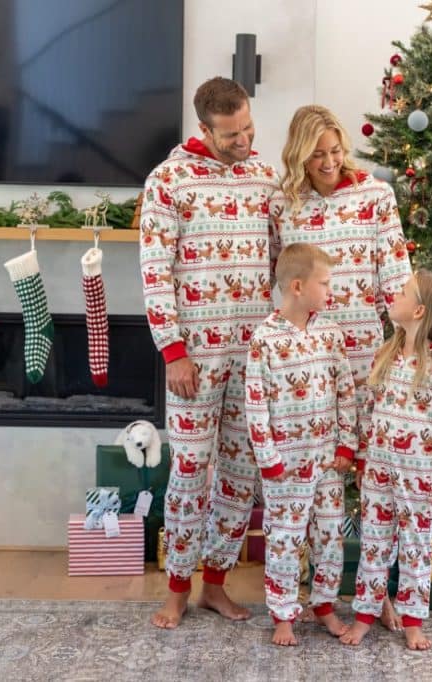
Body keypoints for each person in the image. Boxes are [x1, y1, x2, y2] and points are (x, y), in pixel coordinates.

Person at [269, 104, 412, 630]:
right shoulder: (286, 206)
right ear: (299, 156)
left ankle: (379, 595)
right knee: (316, 481)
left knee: (375, 480)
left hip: (367, 359)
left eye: (335, 150)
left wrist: (402, 351)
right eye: (317, 154)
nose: (329, 162)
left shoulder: (376, 197)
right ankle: (313, 597)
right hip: (306, 364)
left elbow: (398, 279)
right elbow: (279, 286)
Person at [140, 77, 276, 629]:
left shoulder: (267, 176)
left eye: (247, 128)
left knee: (241, 475)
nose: (243, 141)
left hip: (255, 356)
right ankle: (176, 586)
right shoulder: (169, 180)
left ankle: (214, 585)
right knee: (191, 471)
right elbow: (154, 271)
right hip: (193, 358)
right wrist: (172, 352)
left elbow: (285, 256)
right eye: (230, 135)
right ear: (203, 129)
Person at [339, 270, 432, 651]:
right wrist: (363, 458)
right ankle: (365, 616)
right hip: (379, 471)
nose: (394, 294)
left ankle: (413, 620)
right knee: (374, 545)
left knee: (415, 548)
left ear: (419, 311)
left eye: (403, 292)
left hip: (419, 479)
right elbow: (369, 409)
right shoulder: (387, 353)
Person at [245, 243, 358, 646]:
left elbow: (346, 391)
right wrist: (269, 459)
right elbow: (255, 406)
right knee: (285, 540)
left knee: (330, 535)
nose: (331, 291)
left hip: (328, 460)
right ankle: (283, 615)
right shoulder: (265, 340)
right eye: (325, 283)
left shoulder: (330, 334)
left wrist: (347, 445)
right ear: (297, 286)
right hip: (285, 467)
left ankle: (324, 605)